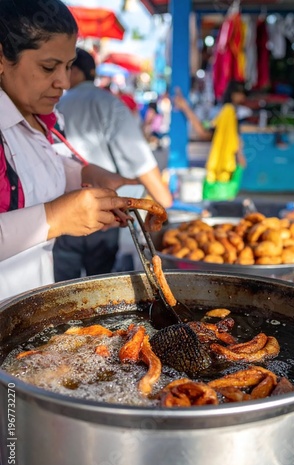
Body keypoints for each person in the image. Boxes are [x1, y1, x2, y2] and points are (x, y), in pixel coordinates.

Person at [0, 0, 144, 302]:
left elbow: (33, 168)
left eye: (67, 66)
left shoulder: (35, 117)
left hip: (26, 309)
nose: (64, 82)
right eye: (48, 67)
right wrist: (55, 218)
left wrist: (83, 173)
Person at [53, 48, 172, 281]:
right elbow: (138, 159)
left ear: (75, 71)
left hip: (63, 207)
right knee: (101, 283)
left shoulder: (56, 105)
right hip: (102, 211)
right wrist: (164, 200)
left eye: (63, 67)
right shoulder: (107, 102)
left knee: (65, 285)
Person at [173, 80, 248, 183]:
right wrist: (239, 153)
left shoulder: (226, 110)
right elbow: (208, 133)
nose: (243, 97)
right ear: (233, 94)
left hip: (215, 159)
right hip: (218, 159)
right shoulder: (228, 111)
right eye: (241, 93)